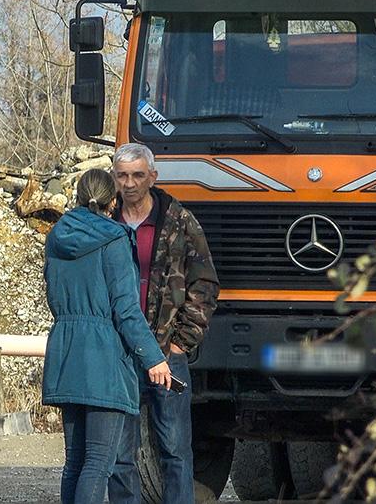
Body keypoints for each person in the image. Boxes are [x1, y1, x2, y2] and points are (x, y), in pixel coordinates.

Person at [43, 168, 173, 504]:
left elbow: (53, 297)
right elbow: (126, 310)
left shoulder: (56, 237)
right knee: (99, 462)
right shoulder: (114, 239)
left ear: (77, 197)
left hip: (66, 352)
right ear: (112, 200)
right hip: (103, 359)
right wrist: (154, 358)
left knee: (74, 462)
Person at [108, 143, 219, 504]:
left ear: (152, 177)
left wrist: (180, 343)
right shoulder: (104, 221)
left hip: (167, 353)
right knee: (120, 454)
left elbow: (204, 283)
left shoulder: (179, 221)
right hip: (119, 355)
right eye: (122, 175)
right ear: (114, 177)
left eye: (138, 175)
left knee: (174, 450)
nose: (130, 183)